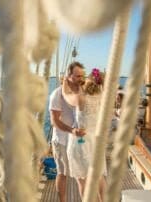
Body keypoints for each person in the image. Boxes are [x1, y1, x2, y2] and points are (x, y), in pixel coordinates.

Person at [62, 68, 107, 202]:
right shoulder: (103, 97)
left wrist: (65, 81)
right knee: (99, 177)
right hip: (96, 141)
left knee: (83, 182)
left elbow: (65, 95)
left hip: (81, 142)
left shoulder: (80, 98)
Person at [49, 61, 86, 202]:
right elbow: (54, 121)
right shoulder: (56, 95)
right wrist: (72, 130)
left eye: (82, 76)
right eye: (77, 76)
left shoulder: (81, 93)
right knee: (63, 173)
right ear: (68, 76)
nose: (81, 79)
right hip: (62, 141)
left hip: (78, 142)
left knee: (81, 175)